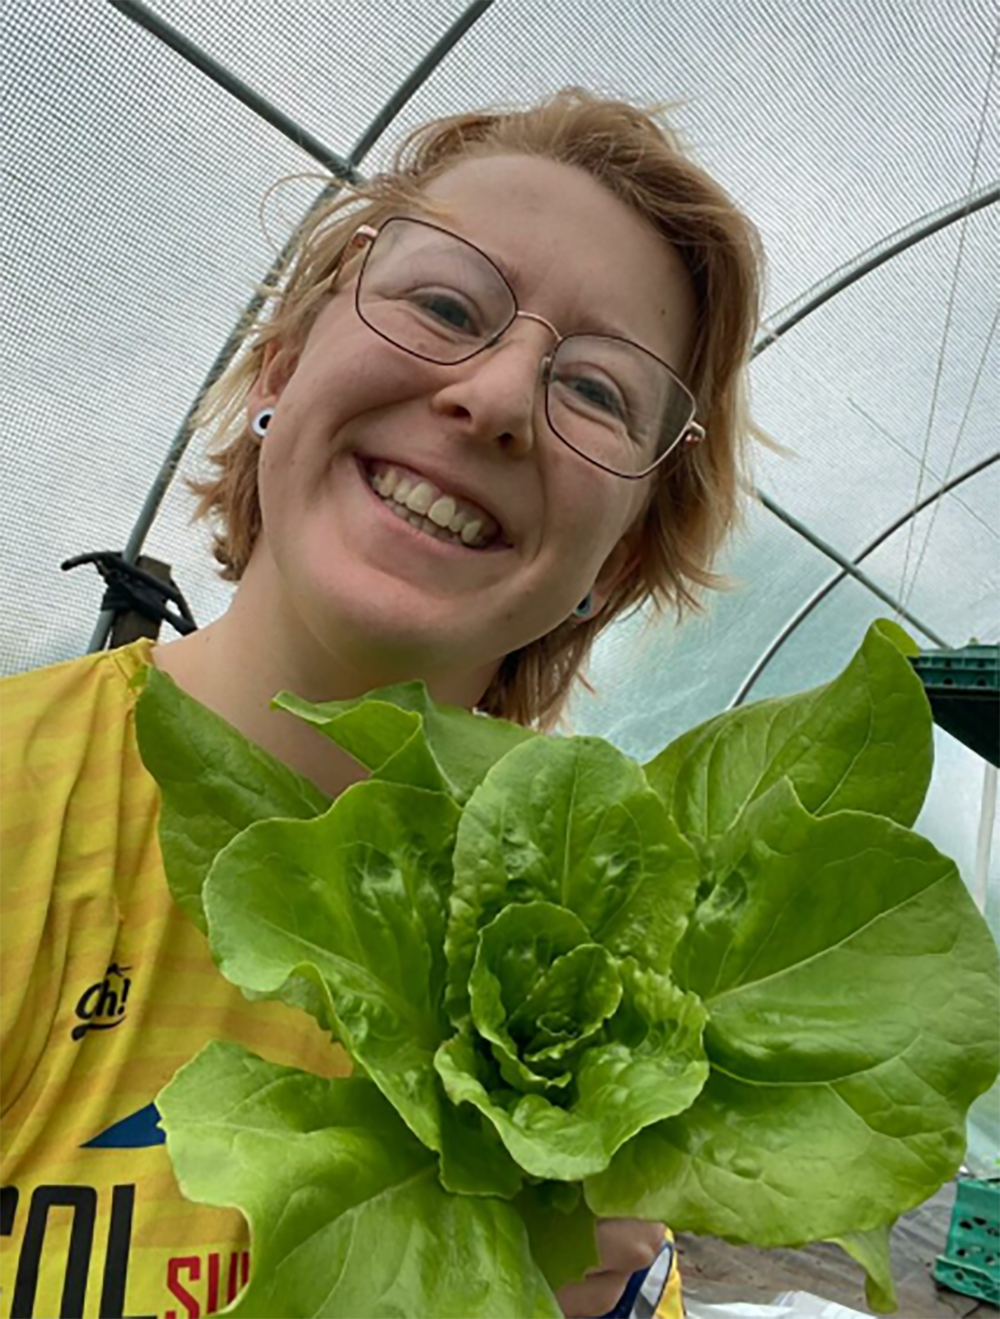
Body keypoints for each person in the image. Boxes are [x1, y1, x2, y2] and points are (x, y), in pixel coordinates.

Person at [0, 88, 763, 1317]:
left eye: (597, 392)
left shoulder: (617, 969)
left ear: (615, 563)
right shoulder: (22, 802)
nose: (500, 395)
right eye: (446, 304)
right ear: (281, 365)